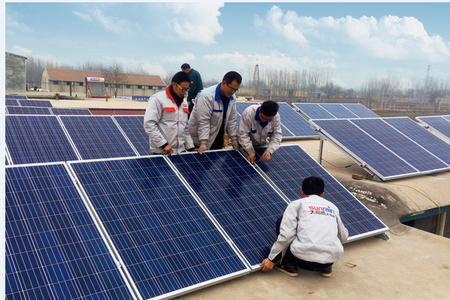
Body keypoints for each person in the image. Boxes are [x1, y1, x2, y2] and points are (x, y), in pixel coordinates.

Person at [261, 176, 349, 278]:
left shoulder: (296, 204)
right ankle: (325, 269)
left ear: (301, 191)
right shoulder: (332, 207)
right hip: (329, 260)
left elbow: (286, 235)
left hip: (302, 260)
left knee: (282, 221)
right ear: (322, 194)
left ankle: (288, 264)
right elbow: (344, 236)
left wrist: (271, 259)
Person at [188, 71, 241, 153]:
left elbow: (231, 120)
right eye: (231, 88)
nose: (233, 92)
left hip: (217, 139)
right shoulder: (206, 96)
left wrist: (234, 139)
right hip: (199, 141)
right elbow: (203, 121)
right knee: (198, 165)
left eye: (235, 90)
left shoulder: (232, 98)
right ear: (224, 83)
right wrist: (203, 143)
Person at [143, 71, 194, 155]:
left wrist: (191, 147)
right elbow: (149, 124)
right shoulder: (157, 99)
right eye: (183, 89)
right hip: (162, 151)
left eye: (187, 89)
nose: (185, 92)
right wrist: (163, 144)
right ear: (174, 85)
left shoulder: (184, 102)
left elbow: (185, 127)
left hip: (180, 151)